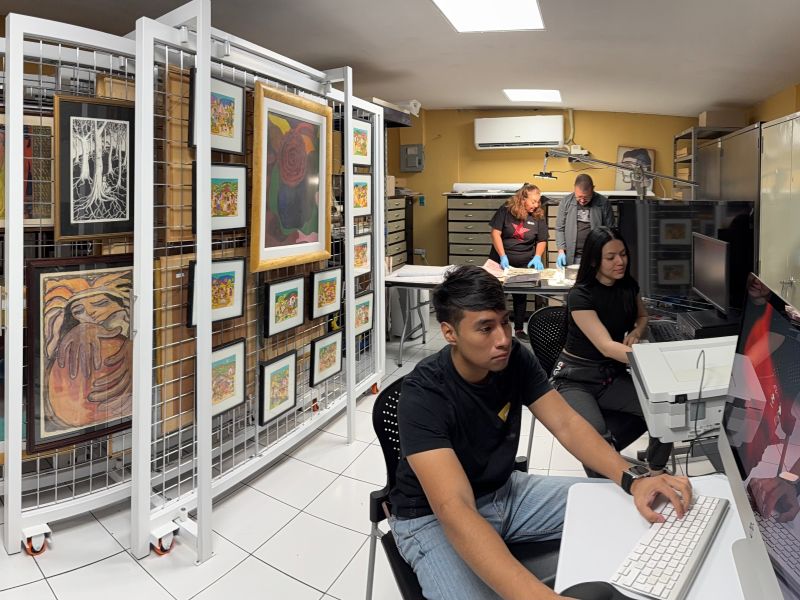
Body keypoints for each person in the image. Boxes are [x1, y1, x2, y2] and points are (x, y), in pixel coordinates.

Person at [389, 265, 692, 600]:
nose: (503, 339)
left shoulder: (514, 358)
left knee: (641, 503)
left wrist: (634, 478)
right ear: (450, 332)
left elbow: (567, 423)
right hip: (431, 519)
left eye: (504, 321)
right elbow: (454, 507)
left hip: (505, 492)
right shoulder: (424, 393)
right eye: (485, 328)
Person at [551, 227, 673, 474]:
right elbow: (606, 346)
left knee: (666, 414)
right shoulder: (580, 295)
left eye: (623, 254)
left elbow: (642, 316)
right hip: (576, 380)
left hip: (610, 376)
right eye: (611, 257)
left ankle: (656, 472)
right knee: (596, 445)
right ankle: (607, 492)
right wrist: (654, 361)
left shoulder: (627, 286)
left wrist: (637, 332)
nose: (620, 262)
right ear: (595, 261)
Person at [488, 183, 547, 341]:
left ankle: (519, 329)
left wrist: (537, 256)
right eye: (533, 201)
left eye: (538, 201)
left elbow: (542, 240)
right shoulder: (506, 210)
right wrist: (502, 255)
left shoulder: (537, 215)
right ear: (522, 199)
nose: (537, 205)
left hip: (524, 262)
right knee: (497, 296)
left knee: (520, 296)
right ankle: (495, 328)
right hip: (500, 260)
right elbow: (495, 233)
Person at [555, 174, 615, 267]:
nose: (582, 200)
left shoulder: (604, 203)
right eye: (579, 197)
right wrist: (561, 250)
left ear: (593, 189)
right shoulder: (565, 202)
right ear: (574, 189)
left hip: (595, 255)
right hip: (571, 256)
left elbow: (610, 231)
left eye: (586, 197)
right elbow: (559, 228)